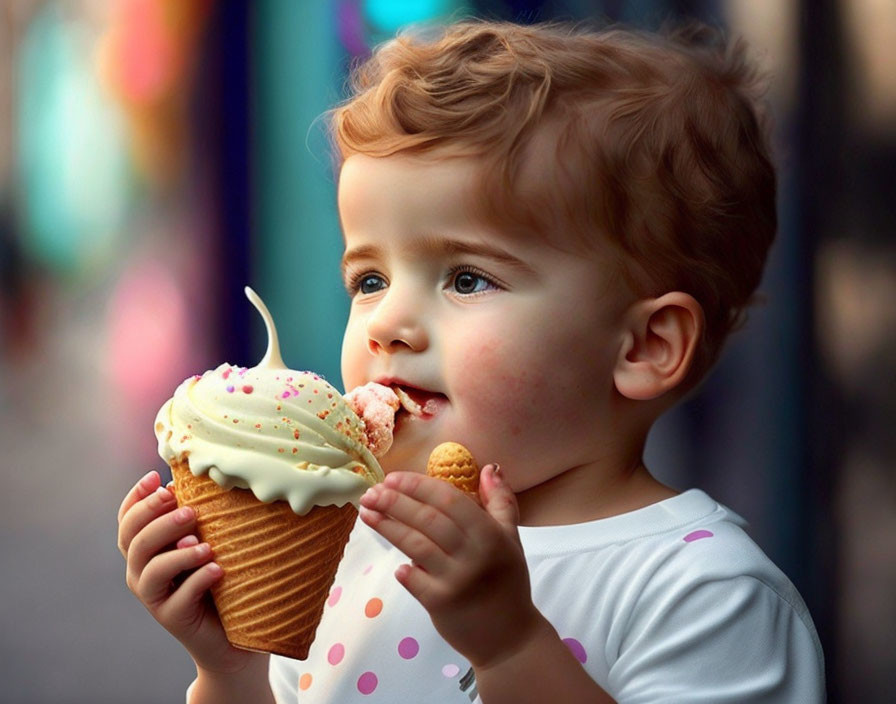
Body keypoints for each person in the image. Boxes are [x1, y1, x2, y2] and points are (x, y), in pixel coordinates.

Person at [117, 20, 825, 703]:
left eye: (466, 279)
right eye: (370, 281)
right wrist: (231, 673)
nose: (388, 322)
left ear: (643, 347)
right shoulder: (352, 543)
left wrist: (511, 647)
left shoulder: (704, 592)